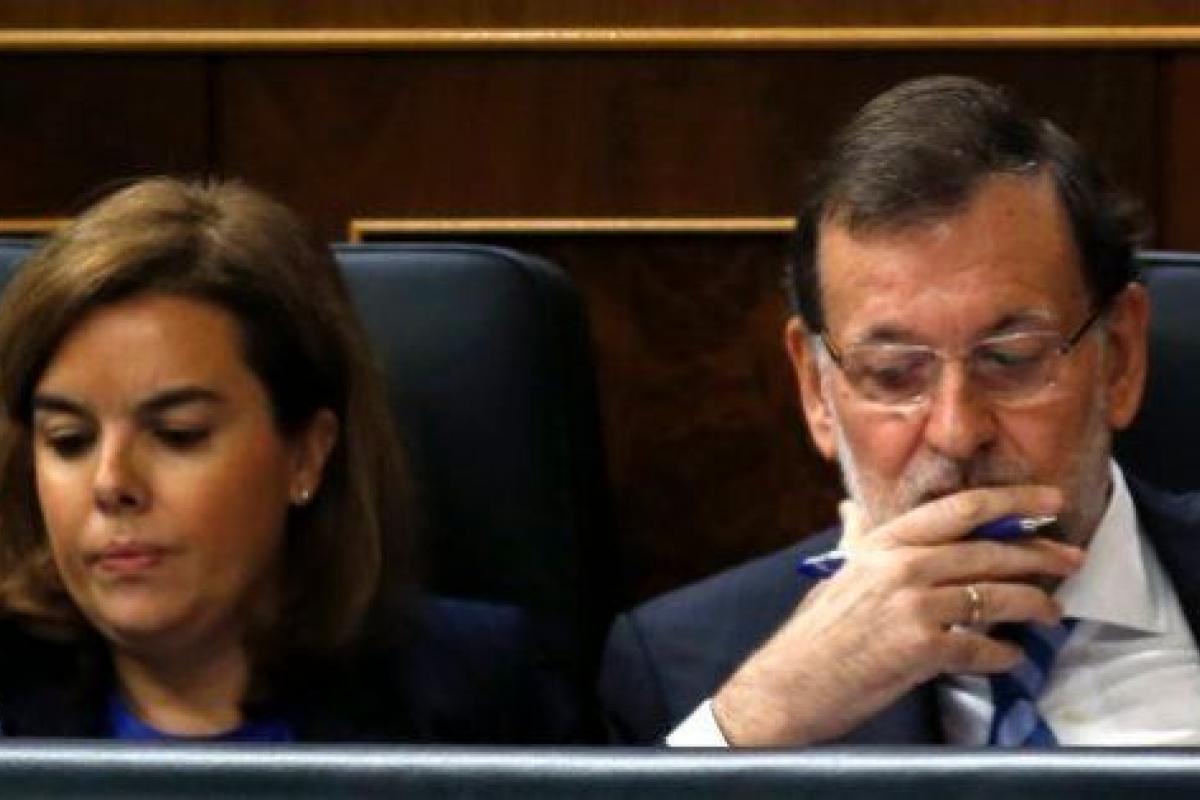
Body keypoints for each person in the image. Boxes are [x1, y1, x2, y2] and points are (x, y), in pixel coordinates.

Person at [599, 75, 1200, 746]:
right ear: (816, 389)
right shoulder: (673, 667)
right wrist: (755, 724)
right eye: (892, 374)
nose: (956, 431)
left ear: (1119, 359)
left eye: (1010, 359)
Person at [0, 177, 578, 742]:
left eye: (178, 434)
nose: (111, 483)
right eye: (69, 440)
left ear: (306, 455)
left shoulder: (480, 697)